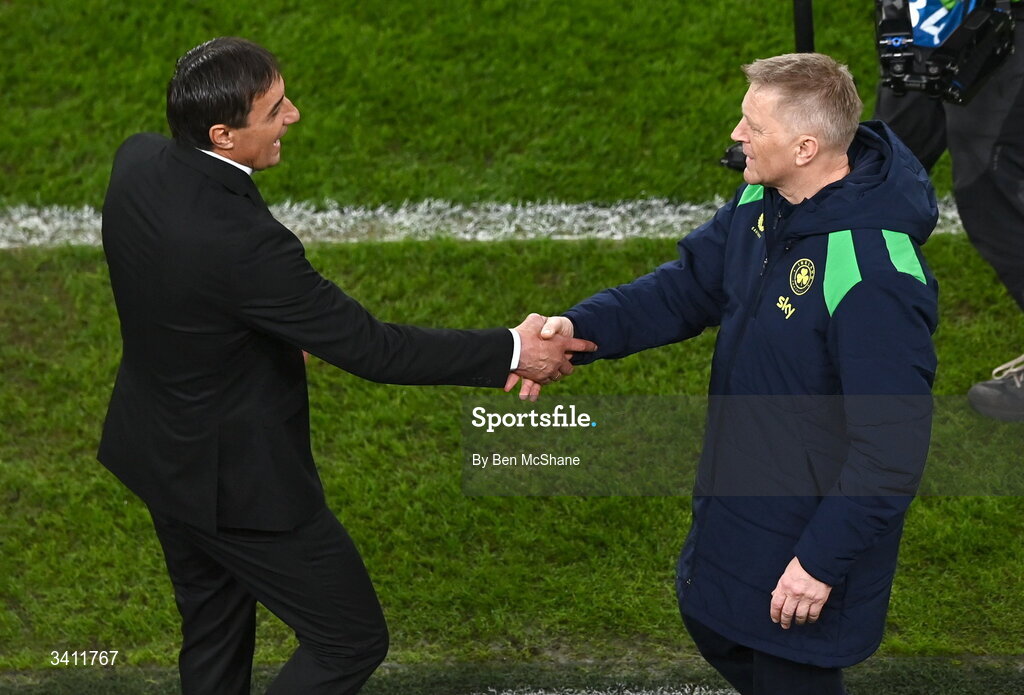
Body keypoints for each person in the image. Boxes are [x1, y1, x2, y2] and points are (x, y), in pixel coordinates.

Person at [98, 37, 594, 695]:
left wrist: (254, 330)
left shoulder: (138, 162)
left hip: (159, 457)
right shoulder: (246, 245)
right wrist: (515, 349)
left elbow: (165, 282)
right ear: (223, 135)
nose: (293, 115)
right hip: (240, 487)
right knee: (349, 639)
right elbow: (373, 349)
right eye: (274, 109)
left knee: (213, 632)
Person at [522, 53, 939, 694]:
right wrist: (581, 329)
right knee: (715, 627)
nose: (736, 135)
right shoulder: (763, 197)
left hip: (802, 546)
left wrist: (819, 563)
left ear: (805, 147)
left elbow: (890, 449)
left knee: (783, 673)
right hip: (740, 506)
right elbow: (688, 287)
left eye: (752, 125)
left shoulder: (875, 276)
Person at [874, 0, 1024, 421]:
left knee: (990, 189)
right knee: (883, 169)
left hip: (1003, 16)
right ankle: (818, 330)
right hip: (925, 14)